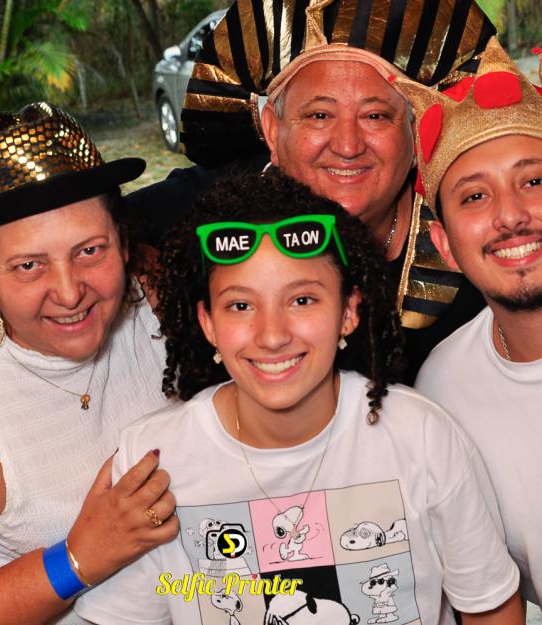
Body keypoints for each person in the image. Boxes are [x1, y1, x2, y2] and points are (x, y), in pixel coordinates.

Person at [75, 169, 523, 625]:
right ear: (208, 323)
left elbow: (490, 607)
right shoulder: (155, 461)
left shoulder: (421, 436)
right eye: (240, 305)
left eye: (302, 300)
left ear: (348, 311)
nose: (272, 335)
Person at [129, 0, 495, 380]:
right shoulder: (219, 205)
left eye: (375, 116)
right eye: (319, 115)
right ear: (273, 130)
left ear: (415, 129)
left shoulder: (466, 234)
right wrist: (146, 267)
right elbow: (102, 226)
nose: (348, 145)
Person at [0, 102, 178, 625]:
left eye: (89, 251)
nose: (69, 291)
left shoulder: (159, 298)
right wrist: (79, 558)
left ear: (124, 244)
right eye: (29, 265)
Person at [401, 38, 542, 607]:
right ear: (445, 245)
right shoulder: (443, 390)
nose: (511, 215)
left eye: (534, 181)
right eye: (475, 196)